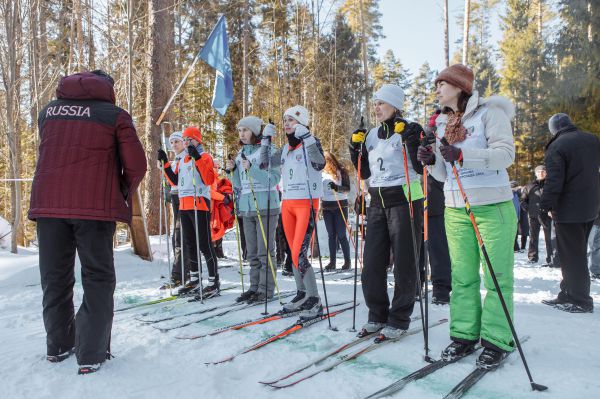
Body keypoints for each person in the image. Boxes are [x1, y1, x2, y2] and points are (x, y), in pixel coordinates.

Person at [29, 70, 147, 374]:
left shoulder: (49, 112)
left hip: (48, 206)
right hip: (94, 209)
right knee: (97, 277)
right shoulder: (115, 115)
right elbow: (136, 164)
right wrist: (120, 189)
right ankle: (91, 353)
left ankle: (58, 346)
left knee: (54, 278)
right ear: (106, 88)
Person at [418, 64, 517, 368]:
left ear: (459, 86)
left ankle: (497, 339)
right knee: (462, 277)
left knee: (497, 277)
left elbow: (506, 155)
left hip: (492, 207)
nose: (436, 89)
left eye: (441, 84)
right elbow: (441, 173)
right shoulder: (441, 124)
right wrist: (430, 159)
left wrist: (463, 154)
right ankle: (463, 335)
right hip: (455, 208)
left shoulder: (490, 113)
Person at [350, 84, 425, 340]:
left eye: (382, 103)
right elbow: (365, 174)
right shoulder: (371, 135)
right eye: (376, 103)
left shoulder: (410, 129)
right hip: (377, 203)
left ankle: (399, 318)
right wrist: (354, 151)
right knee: (371, 264)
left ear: (395, 105)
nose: (377, 107)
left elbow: (420, 165)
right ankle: (377, 315)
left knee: (404, 262)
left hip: (405, 200)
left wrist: (414, 140)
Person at [260, 105, 325, 318]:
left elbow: (319, 163)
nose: (286, 123)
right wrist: (265, 141)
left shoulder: (312, 143)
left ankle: (314, 299)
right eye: (285, 120)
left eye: (292, 120)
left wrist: (307, 137)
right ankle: (302, 293)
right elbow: (264, 164)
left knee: (299, 252)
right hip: (287, 204)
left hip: (306, 202)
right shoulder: (286, 149)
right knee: (293, 253)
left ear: (303, 123)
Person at [540, 113, 600, 313]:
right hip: (591, 206)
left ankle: (580, 300)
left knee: (573, 256)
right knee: (576, 252)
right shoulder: (592, 139)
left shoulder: (557, 146)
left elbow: (554, 182)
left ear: (554, 129)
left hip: (569, 209)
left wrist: (544, 206)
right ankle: (567, 293)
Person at [159, 126, 219, 297]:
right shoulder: (184, 160)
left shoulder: (205, 156)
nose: (186, 143)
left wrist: (197, 158)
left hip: (199, 204)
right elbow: (175, 181)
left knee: (205, 244)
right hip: (184, 206)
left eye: (189, 140)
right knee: (190, 243)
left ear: (197, 140)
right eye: (184, 140)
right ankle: (194, 279)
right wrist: (166, 164)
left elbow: (208, 179)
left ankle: (214, 282)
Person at [226, 116, 280, 304]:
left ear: (256, 132)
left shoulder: (269, 150)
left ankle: (266, 290)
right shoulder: (242, 152)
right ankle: (254, 287)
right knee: (252, 252)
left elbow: (273, 179)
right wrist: (232, 171)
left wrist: (252, 169)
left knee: (265, 251)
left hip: (266, 205)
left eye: (246, 130)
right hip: (247, 207)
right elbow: (239, 185)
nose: (242, 134)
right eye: (240, 130)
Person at [160, 131, 189, 289]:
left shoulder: (186, 158)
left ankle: (180, 275)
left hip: (184, 198)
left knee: (180, 238)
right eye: (172, 142)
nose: (174, 145)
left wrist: (165, 165)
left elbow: (176, 179)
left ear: (183, 142)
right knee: (176, 238)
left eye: (176, 141)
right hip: (175, 197)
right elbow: (171, 181)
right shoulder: (175, 160)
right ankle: (183, 273)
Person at [321, 152, 352, 271]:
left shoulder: (341, 171)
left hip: (340, 206)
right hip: (327, 207)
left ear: (330, 161)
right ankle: (332, 262)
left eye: (325, 161)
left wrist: (337, 188)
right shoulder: (321, 173)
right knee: (331, 235)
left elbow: (347, 188)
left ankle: (347, 261)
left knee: (341, 235)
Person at [521, 165, 554, 266]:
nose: (541, 173)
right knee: (533, 237)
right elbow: (523, 201)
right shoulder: (529, 186)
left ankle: (551, 259)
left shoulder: (550, 185)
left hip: (547, 216)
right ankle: (532, 257)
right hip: (533, 216)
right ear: (535, 173)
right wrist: (529, 209)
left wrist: (552, 210)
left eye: (543, 171)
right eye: (539, 172)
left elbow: (555, 199)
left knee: (549, 238)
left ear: (546, 173)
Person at [589, 212, 600, 280]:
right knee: (588, 248)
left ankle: (595, 271)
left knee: (597, 248)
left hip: (598, 223)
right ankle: (583, 271)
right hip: (591, 222)